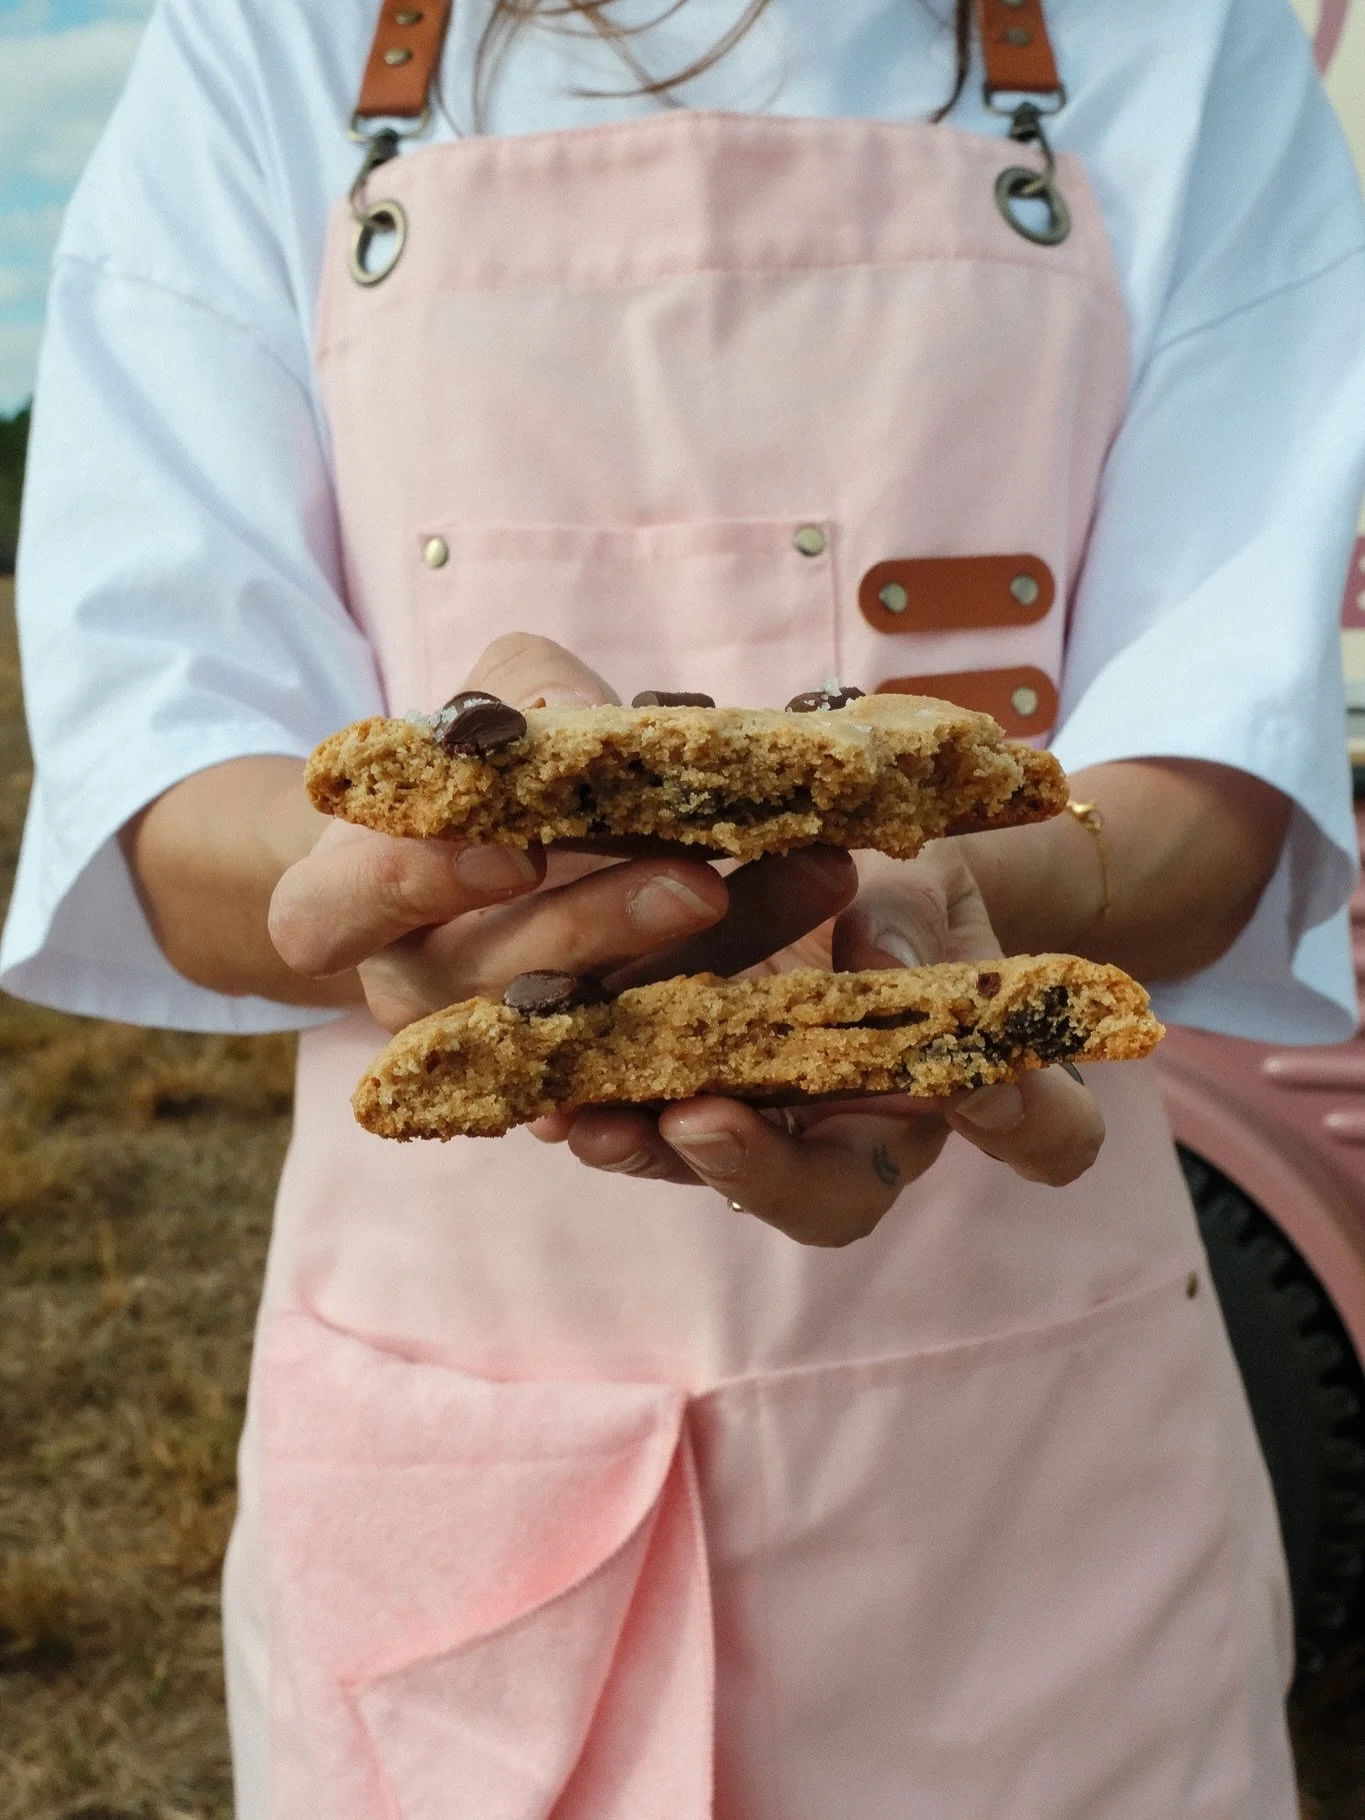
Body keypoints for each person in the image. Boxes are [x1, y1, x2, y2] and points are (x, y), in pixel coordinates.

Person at [6, 0, 1365, 1812]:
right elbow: (168, 792)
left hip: (1039, 1475)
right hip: (451, 1447)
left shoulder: (1180, 35)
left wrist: (938, 898)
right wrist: (415, 895)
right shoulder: (271, 36)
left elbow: (1221, 781)